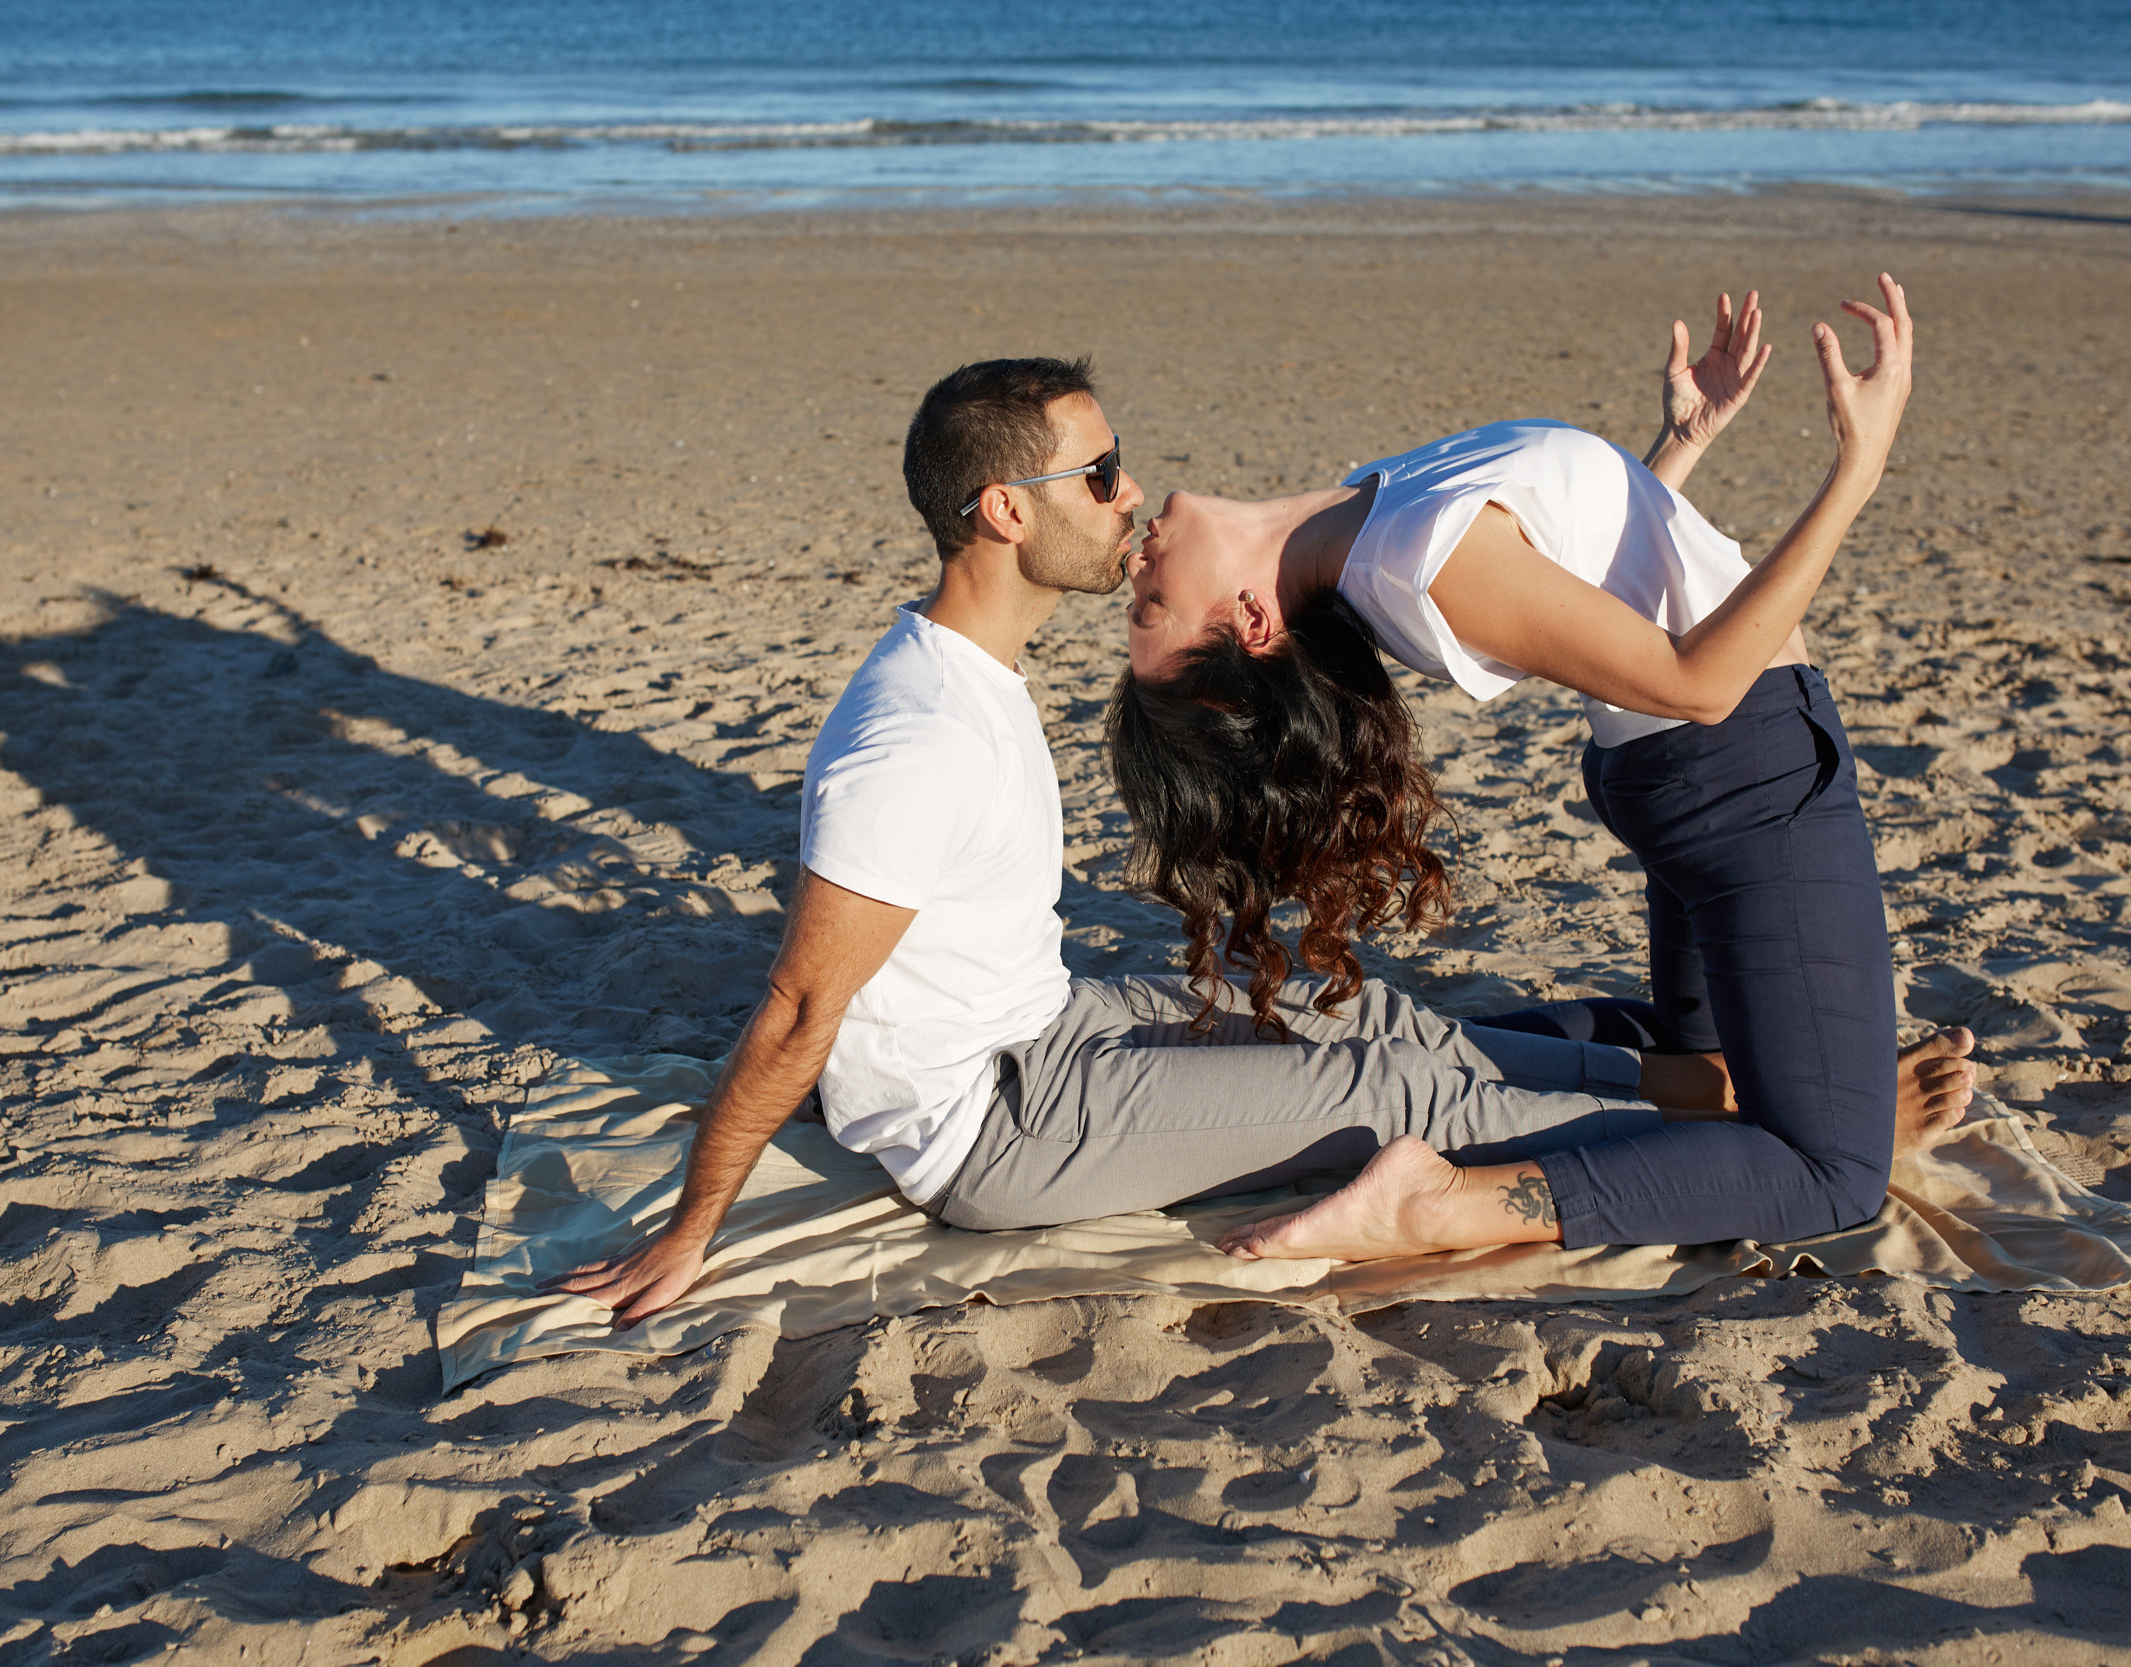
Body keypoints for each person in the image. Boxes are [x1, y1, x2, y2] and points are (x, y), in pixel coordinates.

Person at [541, 356, 1875, 1327]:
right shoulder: (914, 737)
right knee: (1398, 1094)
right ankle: (1705, 1138)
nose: (1129, 504)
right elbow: (796, 1006)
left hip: (1049, 1033)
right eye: (1099, 474)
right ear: (1009, 509)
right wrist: (695, 1223)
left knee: (1386, 1026)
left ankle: (1692, 1096)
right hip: (994, 1128)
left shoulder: (977, 676)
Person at [1110, 277, 1976, 1265]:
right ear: (1251, 627)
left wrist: (1677, 450)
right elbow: (1698, 680)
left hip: (1700, 782)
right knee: (1832, 1173)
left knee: (1707, 1069)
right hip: (1747, 783)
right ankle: (1436, 1204)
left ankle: (1456, 1079)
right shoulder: (1408, 555)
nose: (1134, 571)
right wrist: (1858, 467)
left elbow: (1586, 595)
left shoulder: (1369, 524)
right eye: (1148, 611)